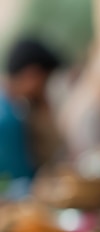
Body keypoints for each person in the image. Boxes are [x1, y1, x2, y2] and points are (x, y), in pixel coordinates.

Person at [0, 37, 61, 198]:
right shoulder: (6, 119)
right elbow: (12, 178)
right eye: (45, 81)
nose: (44, 89)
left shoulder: (17, 109)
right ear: (31, 75)